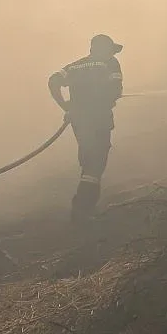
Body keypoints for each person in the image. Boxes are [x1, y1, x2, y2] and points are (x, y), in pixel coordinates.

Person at [49, 34, 124, 221]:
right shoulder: (110, 63)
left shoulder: (75, 66)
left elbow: (53, 81)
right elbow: (116, 89)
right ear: (104, 50)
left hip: (79, 121)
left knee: (89, 158)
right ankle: (82, 208)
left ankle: (84, 207)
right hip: (99, 119)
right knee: (95, 163)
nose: (112, 54)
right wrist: (109, 98)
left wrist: (65, 105)